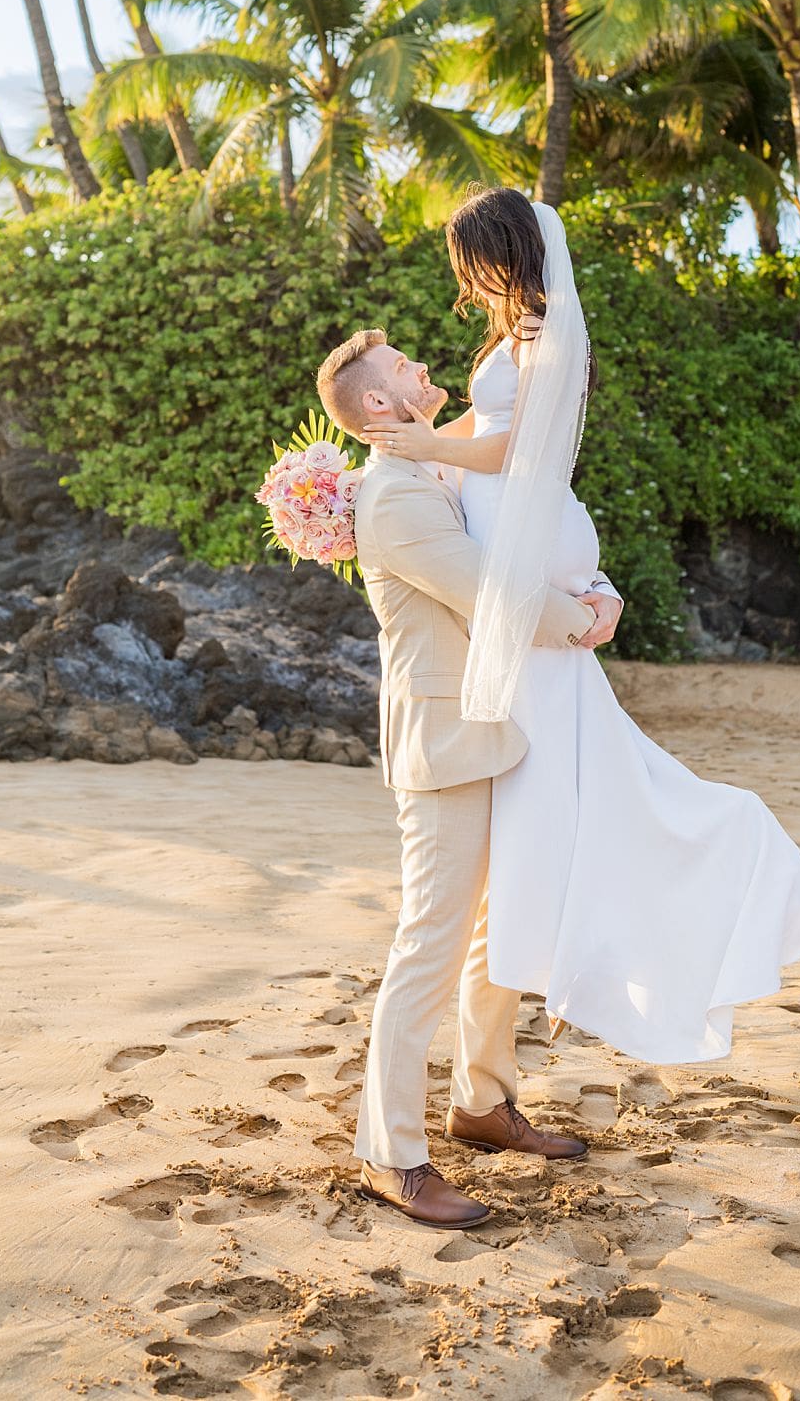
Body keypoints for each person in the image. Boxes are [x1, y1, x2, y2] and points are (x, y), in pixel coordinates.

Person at [359, 186, 800, 1065]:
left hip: (520, 520)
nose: (466, 278)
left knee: (553, 767)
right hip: (510, 524)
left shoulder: (546, 332)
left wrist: (427, 451)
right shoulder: (514, 334)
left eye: (474, 259)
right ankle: (497, 1050)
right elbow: (482, 424)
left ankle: (659, 879)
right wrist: (403, 452)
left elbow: (519, 447)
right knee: (548, 776)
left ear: (506, 251)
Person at [316, 329, 613, 1228]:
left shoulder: (436, 472)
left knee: (496, 927)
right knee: (429, 945)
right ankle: (390, 1154)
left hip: (495, 734)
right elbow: (489, 592)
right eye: (407, 369)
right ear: (379, 406)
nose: (425, 371)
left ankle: (483, 1102)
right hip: (442, 746)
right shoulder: (397, 497)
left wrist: (596, 590)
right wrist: (584, 624)